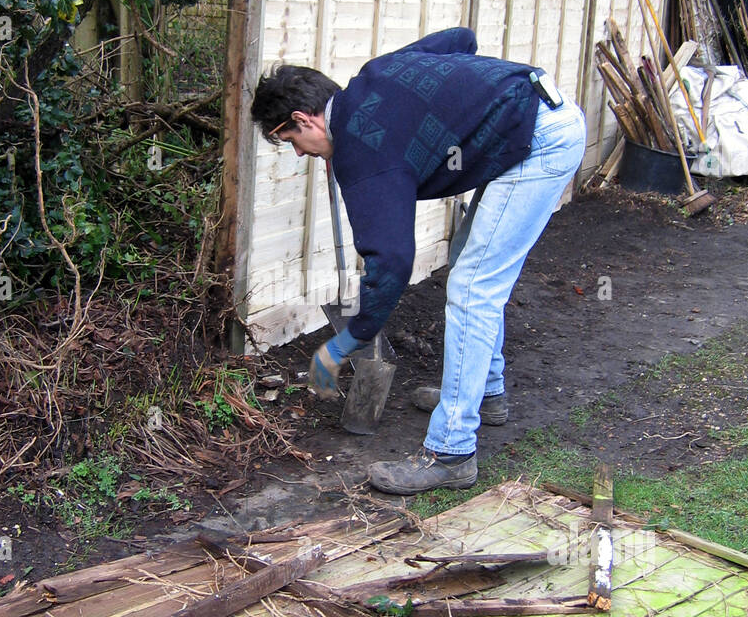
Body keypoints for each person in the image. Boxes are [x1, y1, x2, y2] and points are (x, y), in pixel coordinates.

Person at [250, 26, 586, 495]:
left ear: (305, 120)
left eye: (290, 141)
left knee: (472, 287)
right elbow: (463, 39)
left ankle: (451, 453)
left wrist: (347, 341)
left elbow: (392, 260)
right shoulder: (377, 74)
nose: (300, 153)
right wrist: (464, 99)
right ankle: (484, 396)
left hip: (541, 142)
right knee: (468, 263)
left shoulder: (364, 153)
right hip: (528, 119)